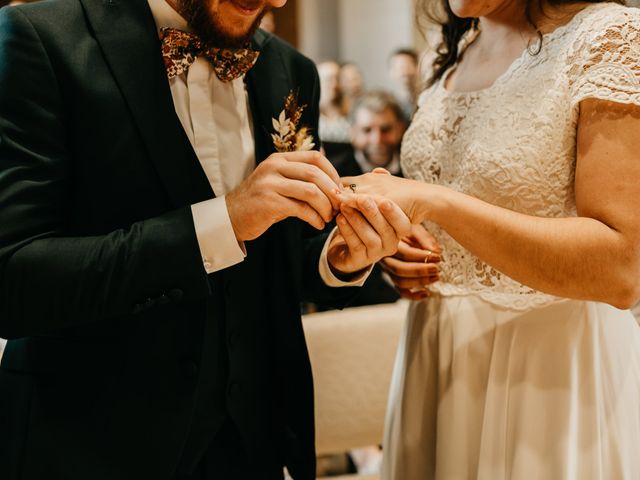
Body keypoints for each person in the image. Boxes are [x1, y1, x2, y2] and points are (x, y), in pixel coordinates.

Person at [0, 0, 412, 478]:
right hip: (90, 441)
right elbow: (14, 276)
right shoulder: (40, 39)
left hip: (249, 445)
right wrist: (224, 222)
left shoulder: (288, 68)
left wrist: (337, 260)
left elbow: (280, 262)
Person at [343, 0, 640, 478]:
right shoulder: (451, 46)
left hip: (546, 365)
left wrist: (436, 203)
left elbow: (621, 268)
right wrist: (400, 245)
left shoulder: (608, 36)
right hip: (435, 348)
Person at [388, 48, 419, 122]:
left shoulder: (427, 98)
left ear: (417, 68)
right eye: (400, 67)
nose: (405, 70)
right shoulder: (389, 103)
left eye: (408, 65)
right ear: (391, 72)